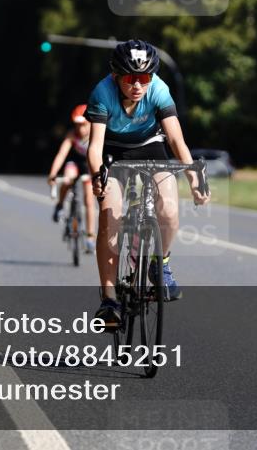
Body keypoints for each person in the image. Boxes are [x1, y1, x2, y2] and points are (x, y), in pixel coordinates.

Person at [86, 39, 209, 328]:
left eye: (145, 78)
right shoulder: (102, 93)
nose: (138, 86)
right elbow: (95, 147)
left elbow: (176, 139)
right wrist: (97, 175)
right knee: (110, 214)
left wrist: (193, 177)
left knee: (168, 207)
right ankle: (109, 298)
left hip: (151, 146)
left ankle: (161, 264)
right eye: (130, 79)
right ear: (116, 76)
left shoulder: (159, 90)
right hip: (114, 152)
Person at [47, 105, 97, 253]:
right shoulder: (72, 135)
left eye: (84, 125)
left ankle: (89, 237)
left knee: (89, 199)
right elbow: (61, 155)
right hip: (74, 163)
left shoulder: (96, 134)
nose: (80, 129)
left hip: (88, 165)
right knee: (68, 179)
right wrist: (53, 174)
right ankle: (60, 205)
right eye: (77, 125)